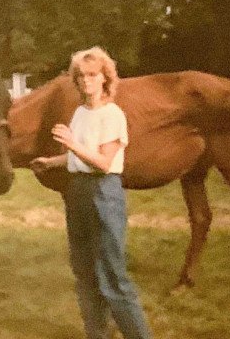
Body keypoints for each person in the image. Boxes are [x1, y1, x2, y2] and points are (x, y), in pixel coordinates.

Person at [30, 46, 152, 339]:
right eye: (81, 75)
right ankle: (96, 334)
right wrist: (52, 161)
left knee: (112, 275)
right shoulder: (80, 113)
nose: (86, 80)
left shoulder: (112, 115)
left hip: (104, 193)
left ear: (105, 78)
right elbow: (80, 157)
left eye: (92, 75)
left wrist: (71, 145)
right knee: (83, 271)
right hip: (79, 192)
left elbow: (103, 162)